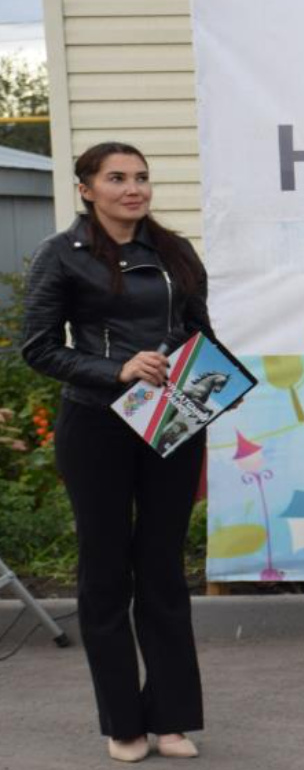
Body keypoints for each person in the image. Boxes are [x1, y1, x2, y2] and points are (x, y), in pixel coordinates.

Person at [22, 142, 213, 762]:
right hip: (98, 424)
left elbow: (199, 331)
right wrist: (116, 368)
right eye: (117, 178)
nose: (133, 188)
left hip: (170, 421)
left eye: (141, 178)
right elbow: (38, 347)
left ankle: (171, 719)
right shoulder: (61, 255)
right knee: (105, 573)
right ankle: (123, 724)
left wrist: (201, 376)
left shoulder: (174, 251)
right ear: (86, 188)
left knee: (162, 570)